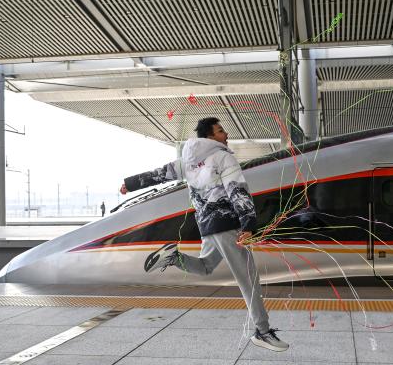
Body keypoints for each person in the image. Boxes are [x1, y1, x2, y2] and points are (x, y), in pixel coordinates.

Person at [120, 117, 288, 352]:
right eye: (220, 130)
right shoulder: (223, 156)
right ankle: (262, 331)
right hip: (227, 225)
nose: (226, 134)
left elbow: (159, 174)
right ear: (210, 136)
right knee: (248, 279)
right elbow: (237, 189)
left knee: (207, 267)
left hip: (208, 225)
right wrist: (248, 223)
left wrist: (131, 183)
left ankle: (174, 258)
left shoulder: (187, 161)